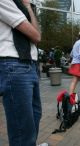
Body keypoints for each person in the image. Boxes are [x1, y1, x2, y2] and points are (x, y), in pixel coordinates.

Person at [0, 0, 48, 146]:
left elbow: (36, 33)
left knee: (34, 116)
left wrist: (28, 6)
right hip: (14, 64)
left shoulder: (24, 5)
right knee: (22, 128)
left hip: (29, 64)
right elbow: (36, 36)